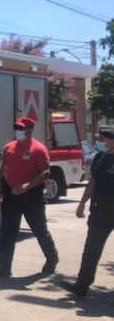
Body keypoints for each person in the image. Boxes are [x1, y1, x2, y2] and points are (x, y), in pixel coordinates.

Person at [0, 116, 59, 278]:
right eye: (17, 128)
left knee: (39, 230)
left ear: (30, 130)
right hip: (12, 194)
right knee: (8, 232)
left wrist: (27, 186)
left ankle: (52, 258)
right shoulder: (9, 148)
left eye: (22, 128)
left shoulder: (38, 149)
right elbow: (4, 168)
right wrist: (0, 188)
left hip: (31, 196)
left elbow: (46, 173)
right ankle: (4, 267)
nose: (18, 131)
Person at [61, 126, 114, 297]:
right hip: (100, 211)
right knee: (91, 249)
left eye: (102, 140)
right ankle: (82, 285)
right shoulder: (99, 158)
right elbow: (93, 183)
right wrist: (82, 203)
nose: (98, 142)